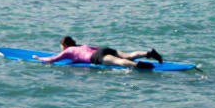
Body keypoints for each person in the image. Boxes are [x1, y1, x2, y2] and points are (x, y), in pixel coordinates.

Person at [33, 36, 163, 70]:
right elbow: (92, 49)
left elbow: (52, 59)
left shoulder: (68, 51)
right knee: (127, 55)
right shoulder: (81, 46)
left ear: (65, 45)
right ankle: (149, 53)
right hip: (102, 49)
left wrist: (39, 58)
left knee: (119, 62)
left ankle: (137, 66)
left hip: (96, 56)